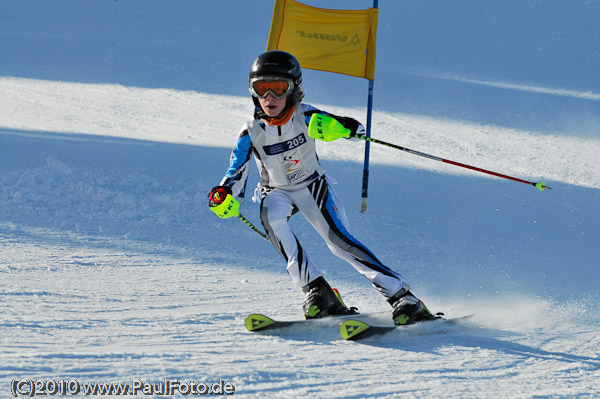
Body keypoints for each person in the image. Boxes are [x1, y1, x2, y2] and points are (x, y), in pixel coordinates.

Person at [209, 50, 435, 325]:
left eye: (279, 88)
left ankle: (401, 296)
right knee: (271, 217)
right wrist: (224, 193)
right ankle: (316, 289)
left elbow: (353, 128)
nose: (270, 97)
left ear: (294, 89)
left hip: (311, 186)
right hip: (275, 190)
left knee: (338, 242)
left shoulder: (305, 116)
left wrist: (341, 128)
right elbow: (236, 170)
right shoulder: (251, 131)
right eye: (261, 88)